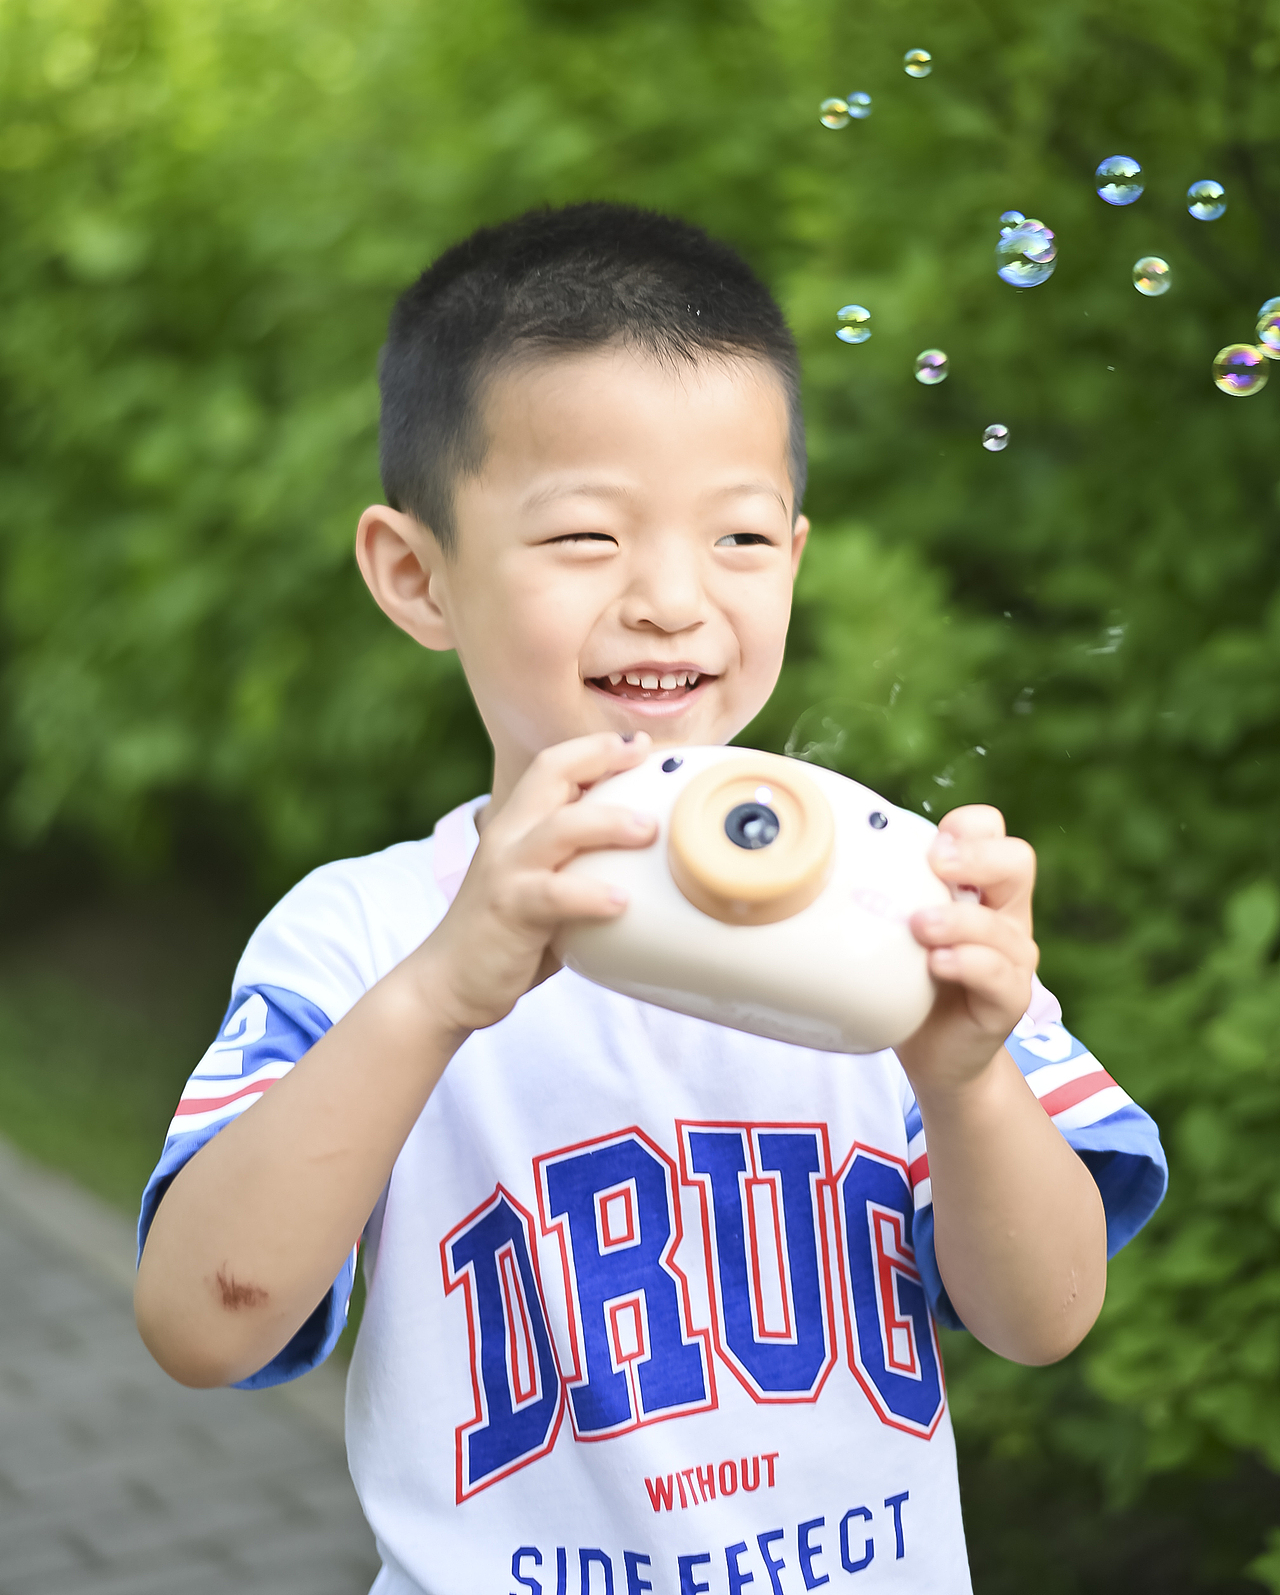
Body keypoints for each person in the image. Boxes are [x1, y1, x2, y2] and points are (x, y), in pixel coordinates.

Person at [134, 203, 1166, 1595]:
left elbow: (1043, 1319)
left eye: (739, 539)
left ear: (795, 561)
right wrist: (441, 994)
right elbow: (210, 1325)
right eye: (584, 539)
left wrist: (967, 1074)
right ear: (414, 573)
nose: (675, 600)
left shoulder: (893, 892)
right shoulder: (368, 938)